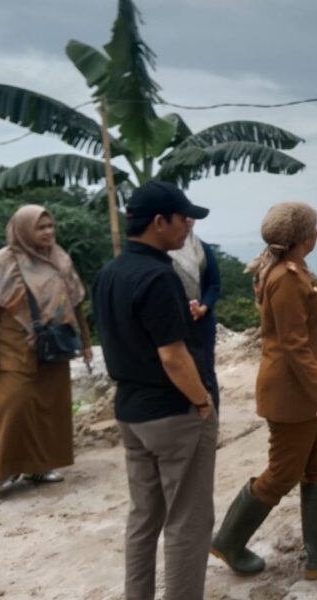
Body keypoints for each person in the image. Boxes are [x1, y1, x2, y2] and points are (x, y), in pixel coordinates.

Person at [211, 202, 317, 581]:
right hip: (296, 393)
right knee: (282, 472)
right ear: (304, 239)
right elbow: (294, 345)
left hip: (312, 386)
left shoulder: (293, 270)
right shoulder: (287, 278)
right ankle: (228, 540)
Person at [92, 181, 217, 600]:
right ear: (159, 222)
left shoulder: (111, 272)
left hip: (131, 411)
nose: (189, 225)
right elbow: (173, 355)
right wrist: (202, 401)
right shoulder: (159, 276)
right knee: (189, 522)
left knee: (144, 517)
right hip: (172, 412)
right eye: (183, 218)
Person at [0, 205, 92, 492]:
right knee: (14, 401)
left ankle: (38, 466)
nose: (49, 232)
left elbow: (76, 303)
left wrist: (85, 342)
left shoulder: (60, 258)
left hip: (55, 339)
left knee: (50, 402)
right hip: (12, 341)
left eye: (51, 226)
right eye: (41, 227)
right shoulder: (3, 261)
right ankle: (1, 469)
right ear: (23, 230)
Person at [169, 221, 221, 408]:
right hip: (174, 320)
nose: (188, 221)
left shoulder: (202, 248)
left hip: (202, 321)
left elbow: (214, 283)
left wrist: (204, 307)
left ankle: (212, 415)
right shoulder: (164, 251)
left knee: (206, 370)